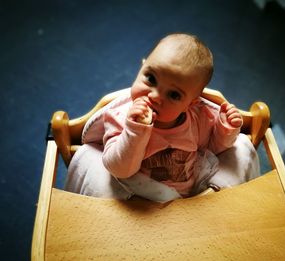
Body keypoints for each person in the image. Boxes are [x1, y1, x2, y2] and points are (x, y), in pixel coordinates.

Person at [65, 33, 260, 202]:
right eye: (151, 78)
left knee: (240, 150)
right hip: (136, 197)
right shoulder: (120, 117)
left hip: (189, 197)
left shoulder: (196, 118)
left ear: (191, 103)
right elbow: (119, 170)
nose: (155, 96)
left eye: (174, 95)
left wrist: (225, 130)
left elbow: (215, 149)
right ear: (142, 67)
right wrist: (134, 132)